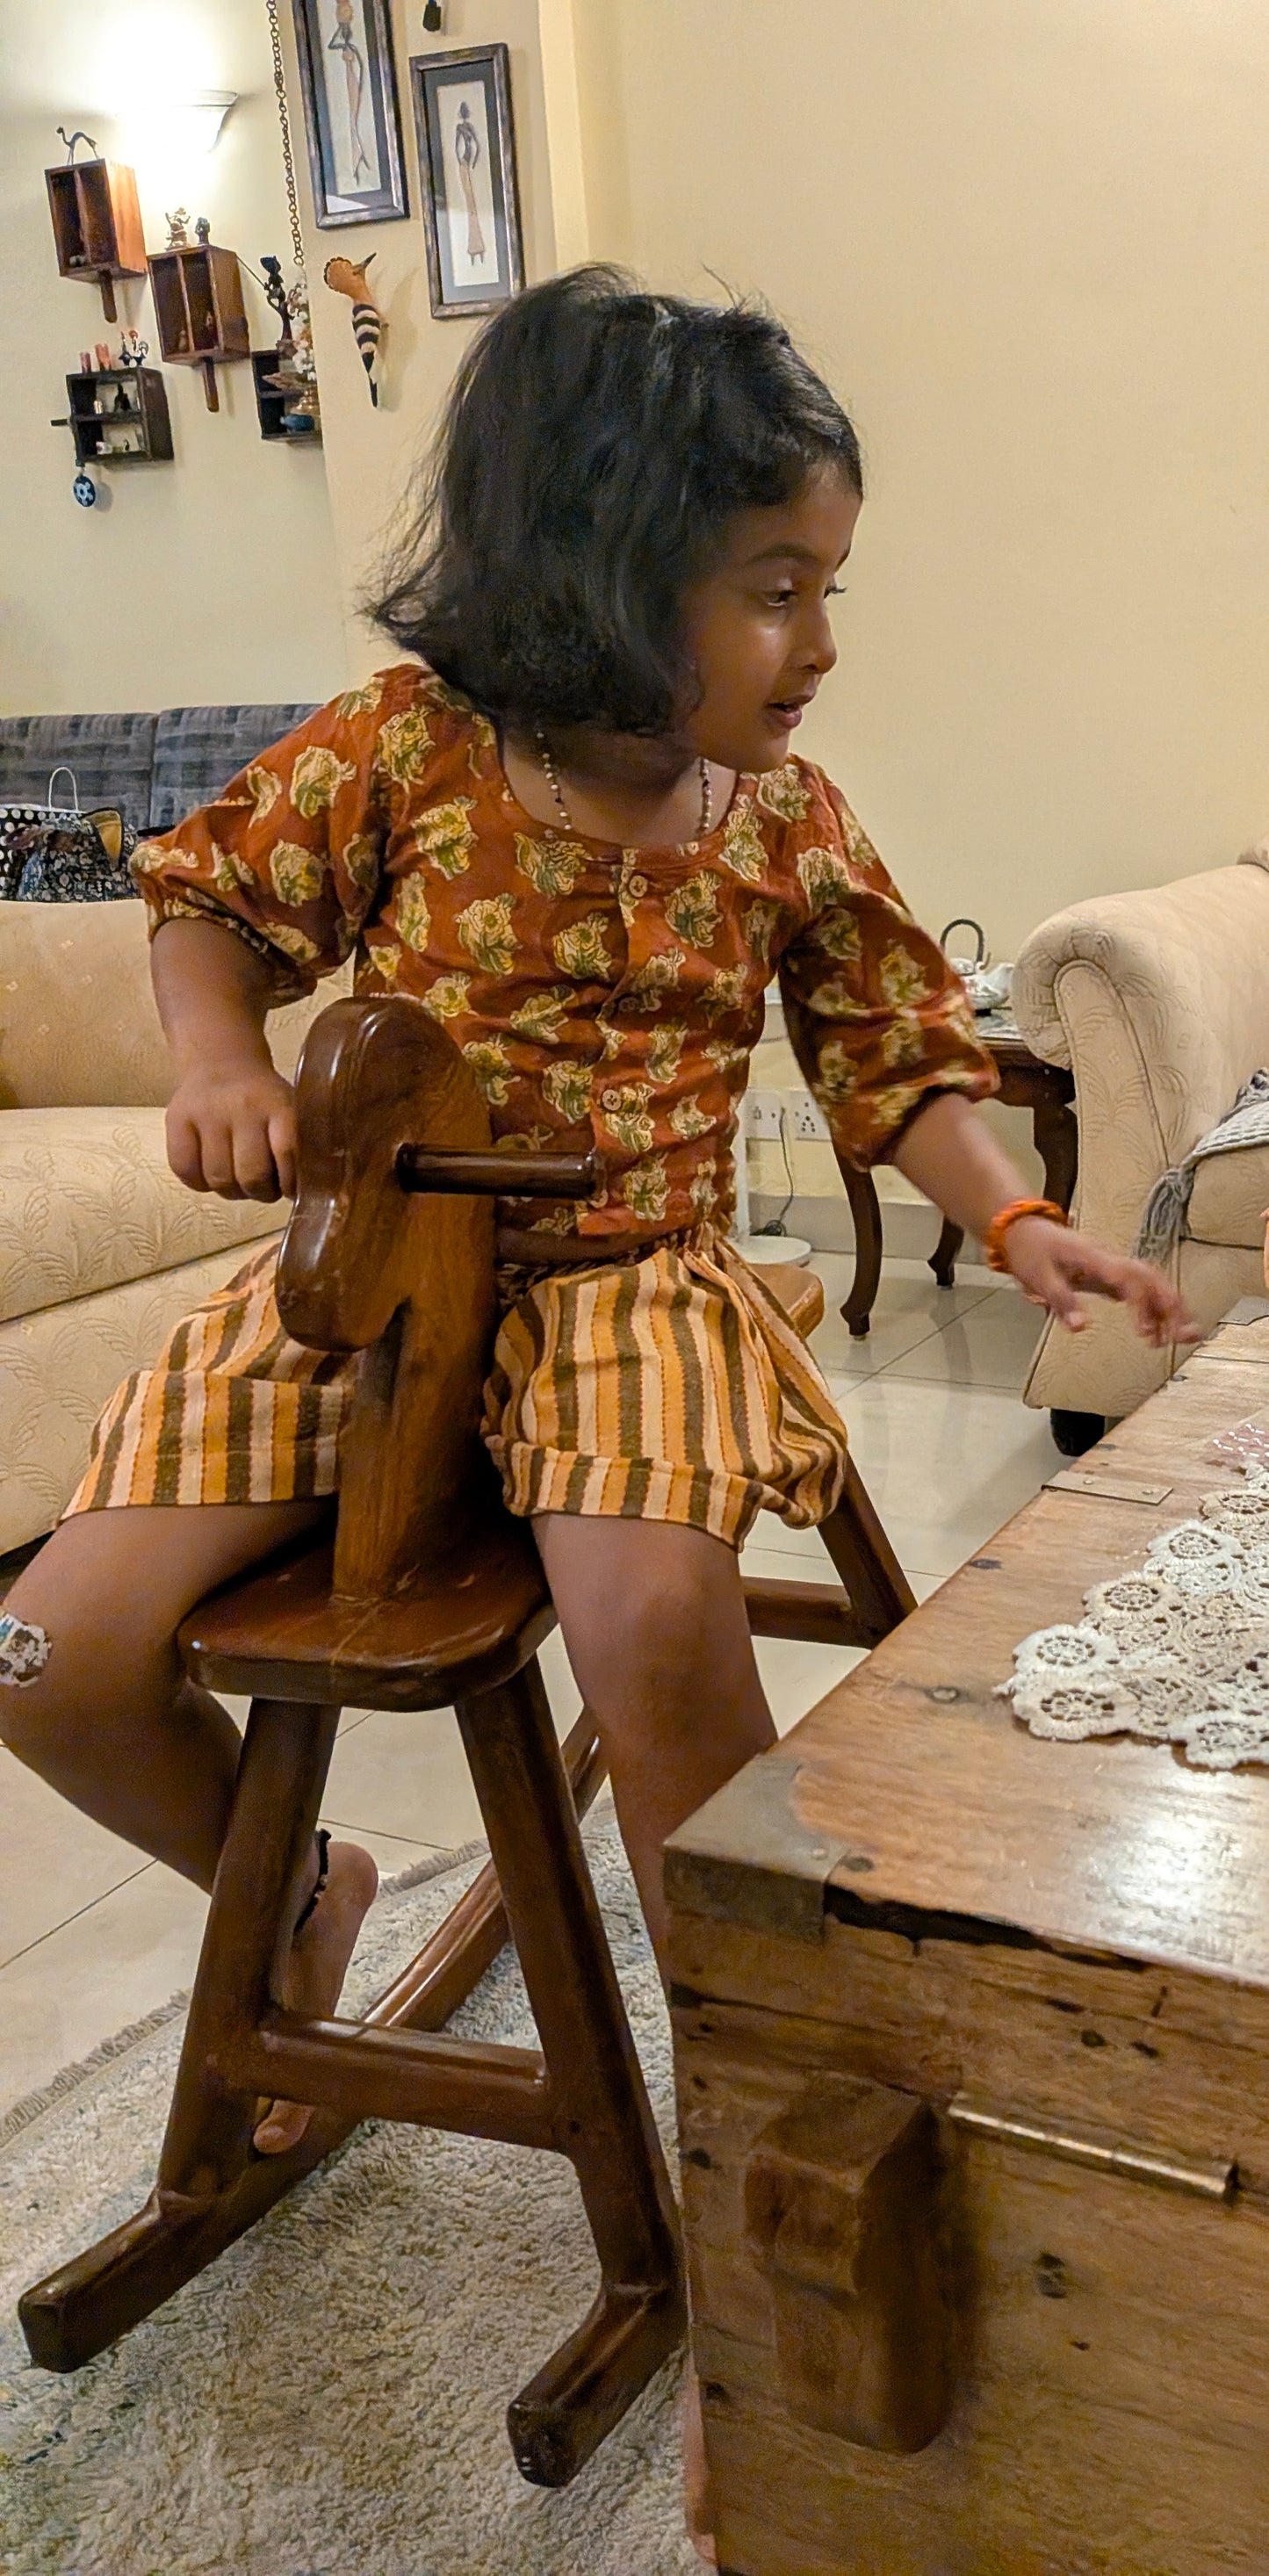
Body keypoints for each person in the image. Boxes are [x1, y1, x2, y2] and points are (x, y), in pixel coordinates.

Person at [0, 268, 1193, 2561]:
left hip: (627, 1274)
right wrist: (224, 1062)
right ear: (600, 566)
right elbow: (200, 908)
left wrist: (1018, 1217)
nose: (819, 638)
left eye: (827, 587)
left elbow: (897, 1057)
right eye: (774, 588)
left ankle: (753, 2155)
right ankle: (318, 1886)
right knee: (50, 1655)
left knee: (654, 1635)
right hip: (373, 1284)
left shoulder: (783, 818)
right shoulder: (397, 753)